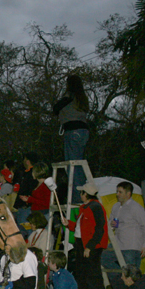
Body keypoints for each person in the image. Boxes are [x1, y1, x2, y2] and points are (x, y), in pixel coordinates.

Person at [60, 182, 108, 289]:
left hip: (90, 246)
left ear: (85, 194)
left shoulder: (96, 207)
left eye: (81, 192)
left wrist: (90, 247)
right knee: (82, 273)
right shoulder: (85, 208)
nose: (80, 195)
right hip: (82, 244)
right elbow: (80, 228)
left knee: (93, 274)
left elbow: (100, 228)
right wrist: (68, 224)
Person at [101, 182, 145, 289]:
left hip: (131, 246)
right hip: (117, 243)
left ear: (128, 194)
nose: (117, 194)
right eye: (117, 192)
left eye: (120, 192)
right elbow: (111, 222)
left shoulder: (136, 208)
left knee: (132, 275)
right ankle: (121, 281)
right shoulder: (116, 206)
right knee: (104, 258)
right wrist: (112, 225)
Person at [53, 74, 90, 203]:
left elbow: (56, 108)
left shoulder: (69, 95)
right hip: (83, 131)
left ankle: (77, 197)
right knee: (79, 163)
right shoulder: (82, 98)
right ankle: (85, 191)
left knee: (72, 165)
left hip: (72, 130)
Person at [13, 152, 39, 237]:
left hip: (26, 207)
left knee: (27, 230)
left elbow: (30, 189)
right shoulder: (27, 173)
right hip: (23, 207)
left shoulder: (31, 175)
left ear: (27, 161)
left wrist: (26, 200)